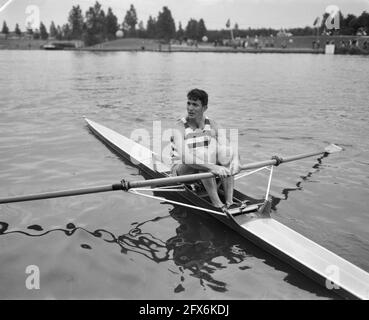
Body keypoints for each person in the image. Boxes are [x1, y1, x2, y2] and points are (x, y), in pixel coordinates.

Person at [170, 89, 241, 210]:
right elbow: (185, 158)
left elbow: (228, 148)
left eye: (195, 105)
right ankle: (218, 204)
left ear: (204, 108)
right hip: (181, 171)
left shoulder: (212, 124)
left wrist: (235, 161)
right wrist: (214, 167)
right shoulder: (179, 126)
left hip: (203, 165)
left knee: (226, 153)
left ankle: (230, 202)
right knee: (204, 155)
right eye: (189, 103)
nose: (190, 108)